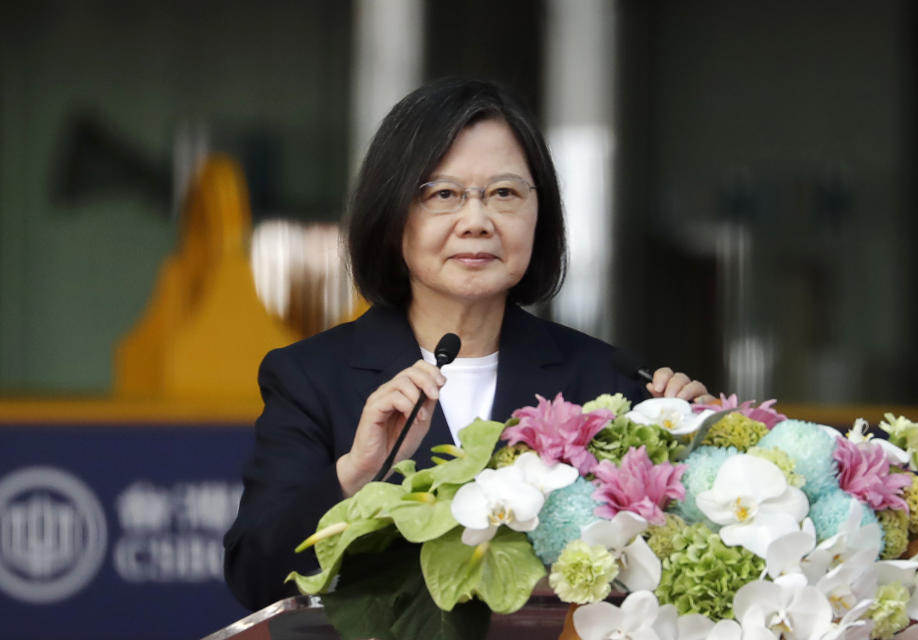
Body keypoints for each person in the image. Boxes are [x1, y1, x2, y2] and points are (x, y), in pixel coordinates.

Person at [223, 78, 709, 611]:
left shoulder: (607, 381)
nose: (476, 222)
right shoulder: (312, 377)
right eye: (443, 195)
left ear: (538, 213)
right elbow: (256, 577)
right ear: (392, 213)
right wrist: (355, 475)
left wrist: (698, 452)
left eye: (504, 193)